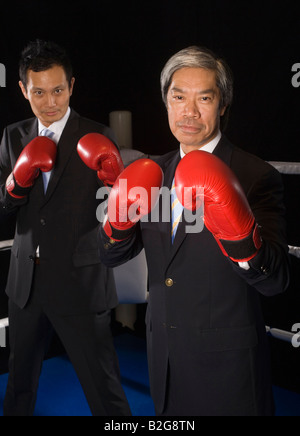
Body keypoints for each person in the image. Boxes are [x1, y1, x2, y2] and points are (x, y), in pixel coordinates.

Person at [98, 46, 290, 416]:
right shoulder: (152, 171)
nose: (189, 111)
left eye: (204, 97)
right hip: (163, 357)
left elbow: (275, 280)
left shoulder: (255, 175)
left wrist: (241, 242)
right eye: (178, 96)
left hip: (227, 368)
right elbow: (111, 254)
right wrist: (116, 221)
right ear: (166, 103)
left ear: (222, 104)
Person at [0, 39, 131, 416]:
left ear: (71, 86)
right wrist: (15, 182)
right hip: (25, 283)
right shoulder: (12, 136)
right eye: (38, 92)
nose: (50, 101)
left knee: (105, 394)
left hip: (80, 282)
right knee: (18, 388)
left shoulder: (99, 134)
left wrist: (117, 184)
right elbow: (4, 205)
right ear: (24, 90)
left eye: (58, 90)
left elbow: (118, 210)